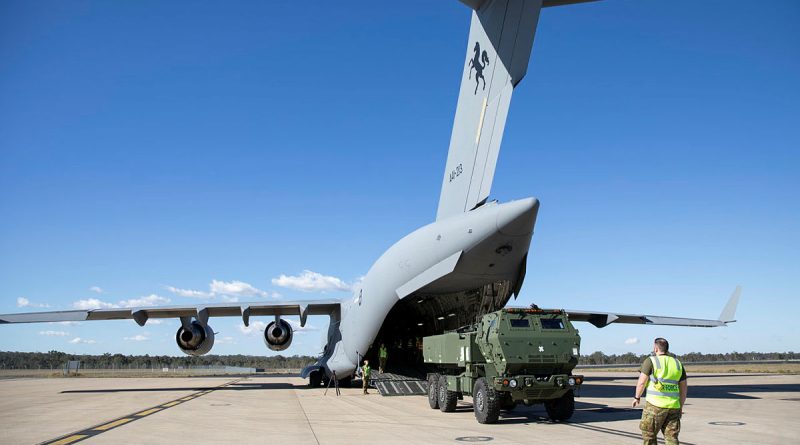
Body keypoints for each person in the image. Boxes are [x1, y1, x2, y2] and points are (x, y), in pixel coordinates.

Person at [632, 338, 688, 445]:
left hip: (655, 406)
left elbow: (642, 382)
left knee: (649, 436)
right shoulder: (677, 363)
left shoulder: (651, 361)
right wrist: (680, 406)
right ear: (667, 349)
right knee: (672, 437)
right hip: (673, 407)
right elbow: (684, 389)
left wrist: (637, 397)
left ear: (655, 348)